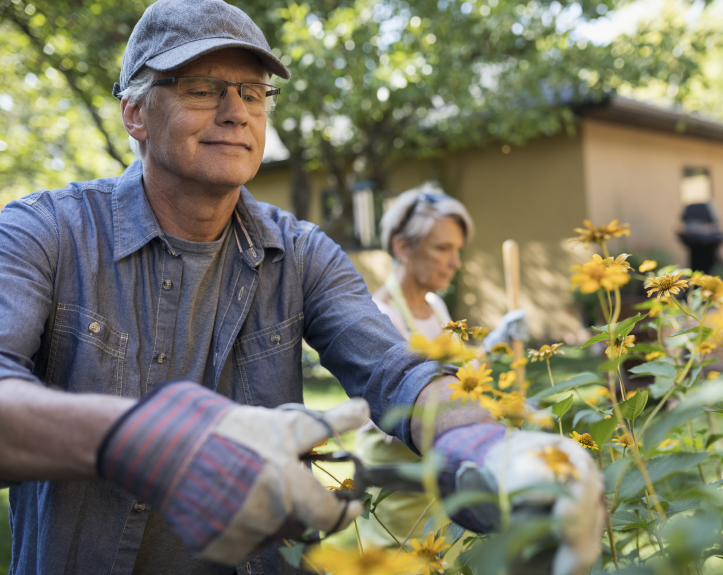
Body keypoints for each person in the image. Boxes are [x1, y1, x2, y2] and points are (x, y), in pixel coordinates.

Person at [0, 1, 605, 574]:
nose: (236, 111)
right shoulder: (44, 234)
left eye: (254, 93)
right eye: (202, 89)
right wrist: (152, 442)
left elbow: (397, 373)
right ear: (135, 113)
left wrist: (485, 446)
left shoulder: (303, 253)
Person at [356, 183, 527, 547]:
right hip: (399, 490)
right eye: (443, 248)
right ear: (403, 247)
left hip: (441, 479)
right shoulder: (379, 317)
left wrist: (494, 343)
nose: (455, 262)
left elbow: (449, 377)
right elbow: (402, 398)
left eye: (457, 250)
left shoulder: (436, 307)